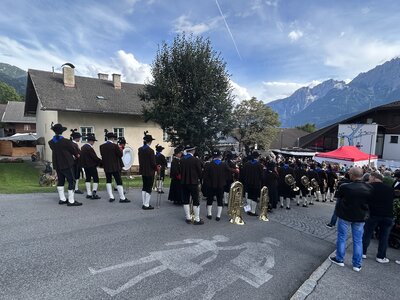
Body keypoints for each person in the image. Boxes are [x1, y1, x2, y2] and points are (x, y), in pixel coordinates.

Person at [329, 167, 373, 272]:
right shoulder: (369, 188)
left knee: (342, 237)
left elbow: (337, 198)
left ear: (352, 175)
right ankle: (357, 264)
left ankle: (340, 259)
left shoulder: (345, 186)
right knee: (358, 240)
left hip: (345, 215)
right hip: (360, 217)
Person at [362, 172, 395, 263]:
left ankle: (362, 252)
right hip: (388, 215)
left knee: (367, 233)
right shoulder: (390, 189)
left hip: (373, 214)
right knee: (384, 236)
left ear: (374, 177)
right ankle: (380, 256)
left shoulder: (369, 187)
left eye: (370, 178)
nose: (369, 179)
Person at [48, 123, 82, 206]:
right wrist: (77, 155)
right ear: (62, 132)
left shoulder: (51, 142)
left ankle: (62, 199)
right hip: (67, 163)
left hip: (57, 164)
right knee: (72, 181)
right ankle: (71, 201)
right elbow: (73, 151)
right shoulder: (66, 141)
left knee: (61, 181)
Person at [100, 131, 130, 203]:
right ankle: (122, 198)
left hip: (107, 166)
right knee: (118, 181)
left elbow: (102, 155)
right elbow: (120, 155)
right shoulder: (115, 146)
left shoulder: (101, 146)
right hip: (115, 166)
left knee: (108, 181)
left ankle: (111, 197)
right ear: (113, 138)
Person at [203, 149, 230, 221]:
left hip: (210, 185)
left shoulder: (208, 164)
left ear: (213, 156)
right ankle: (218, 216)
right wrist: (224, 180)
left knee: (210, 199)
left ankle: (209, 214)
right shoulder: (224, 164)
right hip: (221, 185)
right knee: (220, 200)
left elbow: (205, 176)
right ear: (220, 156)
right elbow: (228, 173)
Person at [180, 145, 203, 225]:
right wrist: (200, 179)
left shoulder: (182, 160)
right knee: (195, 200)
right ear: (192, 151)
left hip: (183, 182)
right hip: (193, 183)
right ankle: (197, 219)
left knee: (186, 200)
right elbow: (200, 172)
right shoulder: (195, 160)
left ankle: (188, 218)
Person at [138, 131, 157, 210]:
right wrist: (157, 167)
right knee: (149, 188)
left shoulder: (140, 149)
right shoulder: (151, 151)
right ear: (150, 141)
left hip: (143, 170)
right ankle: (146, 204)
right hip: (150, 171)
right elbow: (153, 163)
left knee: (144, 187)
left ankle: (144, 202)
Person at [241, 151, 264, 215]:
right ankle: (253, 211)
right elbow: (262, 176)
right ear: (257, 157)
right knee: (254, 198)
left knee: (249, 197)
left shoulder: (246, 164)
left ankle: (248, 210)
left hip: (247, 183)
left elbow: (243, 174)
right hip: (256, 184)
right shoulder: (259, 165)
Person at [80, 133, 102, 200]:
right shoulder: (89, 148)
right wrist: (101, 161)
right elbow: (94, 157)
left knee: (88, 178)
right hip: (91, 165)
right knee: (96, 179)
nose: (94, 143)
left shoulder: (83, 147)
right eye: (93, 141)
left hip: (85, 166)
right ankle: (94, 193)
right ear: (91, 141)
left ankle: (88, 193)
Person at [70, 129, 84, 194]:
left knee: (77, 175)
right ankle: (75, 188)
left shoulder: (73, 144)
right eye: (79, 138)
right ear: (77, 138)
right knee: (76, 175)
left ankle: (76, 188)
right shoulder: (73, 144)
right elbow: (76, 154)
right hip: (75, 162)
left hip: (76, 162)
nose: (80, 139)